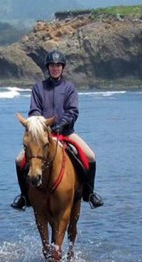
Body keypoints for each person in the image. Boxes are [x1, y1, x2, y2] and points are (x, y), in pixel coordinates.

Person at [10, 49, 103, 210]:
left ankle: (89, 193)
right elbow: (34, 111)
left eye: (58, 65)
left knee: (91, 157)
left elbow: (73, 111)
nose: (55, 68)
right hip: (42, 135)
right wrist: (41, 125)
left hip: (66, 132)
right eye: (52, 65)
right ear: (48, 67)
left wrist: (61, 124)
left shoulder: (69, 88)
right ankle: (24, 197)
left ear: (62, 68)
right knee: (19, 161)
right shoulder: (38, 88)